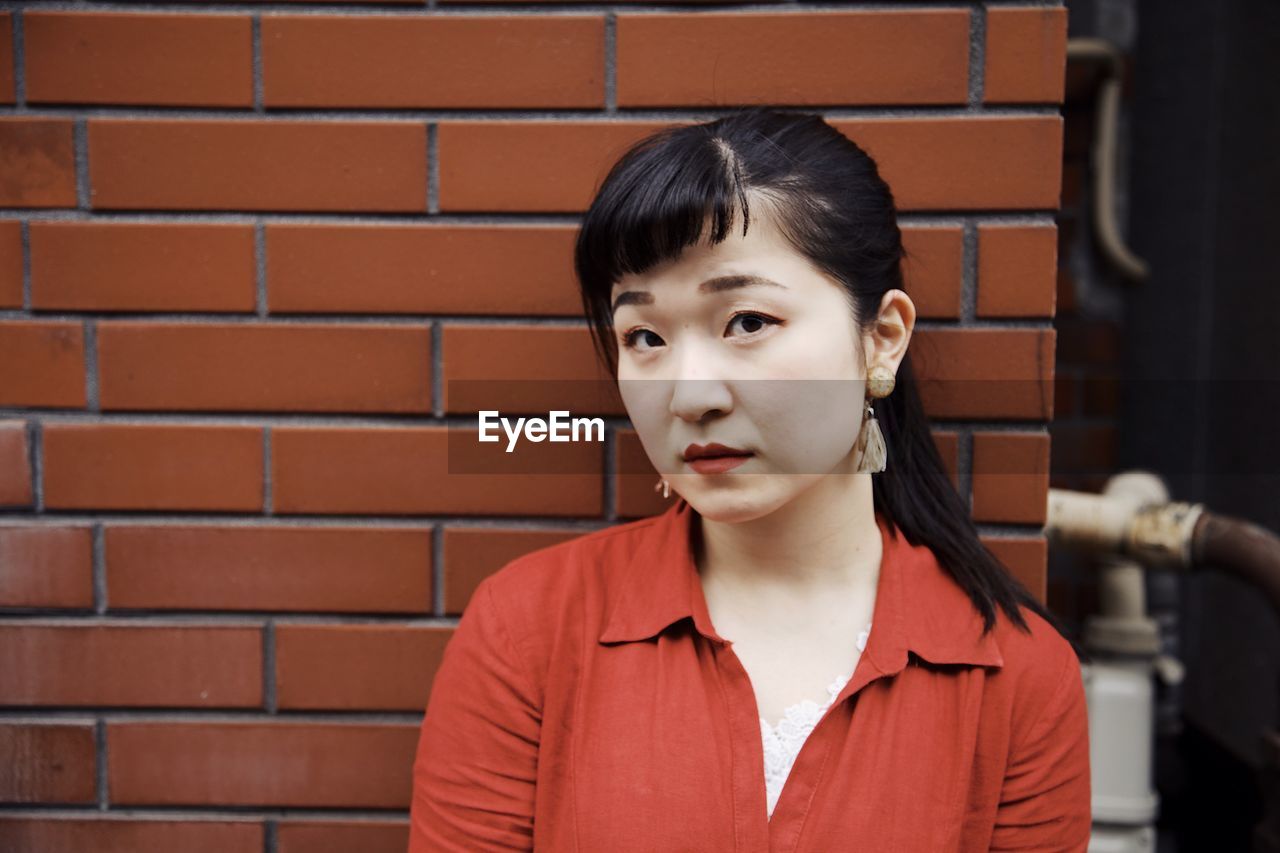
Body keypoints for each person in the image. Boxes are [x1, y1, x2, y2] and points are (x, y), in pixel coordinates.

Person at [408, 107, 1091, 851]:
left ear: (882, 340)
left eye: (747, 322)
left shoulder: (1017, 675)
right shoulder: (529, 630)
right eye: (645, 337)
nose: (690, 394)